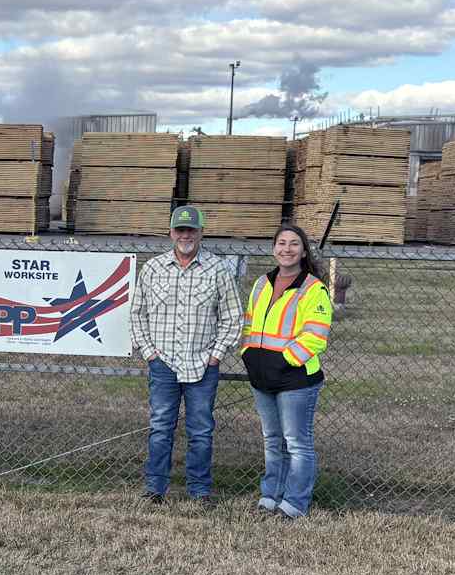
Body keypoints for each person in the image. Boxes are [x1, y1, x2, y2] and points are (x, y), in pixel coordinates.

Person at [130, 204, 242, 507]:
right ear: (171, 233)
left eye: (191, 230)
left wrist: (216, 355)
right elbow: (137, 314)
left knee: (201, 430)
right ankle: (155, 489)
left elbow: (233, 317)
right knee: (160, 427)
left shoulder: (218, 270)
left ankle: (200, 490)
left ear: (201, 233)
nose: (185, 235)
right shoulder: (152, 269)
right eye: (180, 230)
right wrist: (149, 353)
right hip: (163, 362)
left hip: (202, 364)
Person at [240, 223, 332, 520]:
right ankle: (271, 495)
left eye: (294, 244)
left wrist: (284, 360)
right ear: (273, 248)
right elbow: (249, 324)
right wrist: (249, 354)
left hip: (296, 379)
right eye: (282, 243)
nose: (287, 249)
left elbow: (315, 335)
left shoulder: (313, 288)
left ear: (303, 251)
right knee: (271, 439)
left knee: (296, 443)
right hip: (262, 376)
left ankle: (295, 503)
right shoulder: (261, 284)